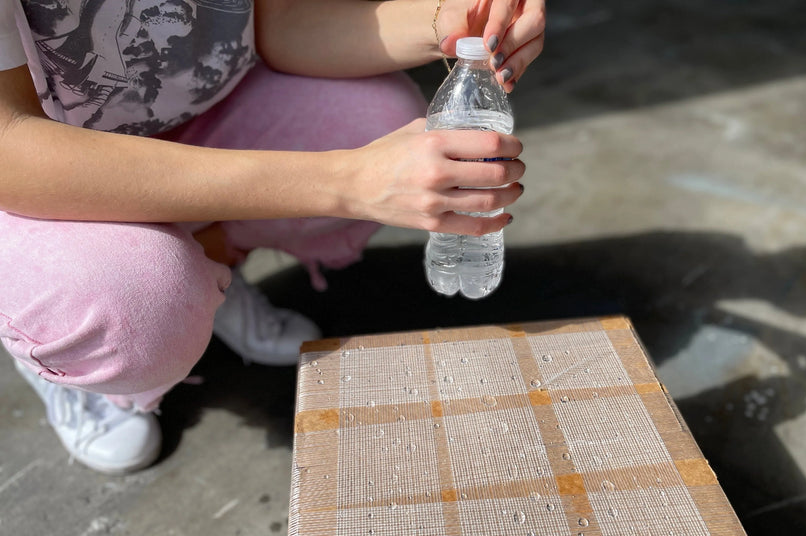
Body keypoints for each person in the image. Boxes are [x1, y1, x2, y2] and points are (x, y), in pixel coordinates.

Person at [0, 0, 544, 474]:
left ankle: (208, 268)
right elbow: (10, 148)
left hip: (189, 113)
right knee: (132, 305)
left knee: (383, 118)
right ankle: (58, 354)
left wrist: (445, 20)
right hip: (37, 169)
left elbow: (279, 22)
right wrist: (348, 181)